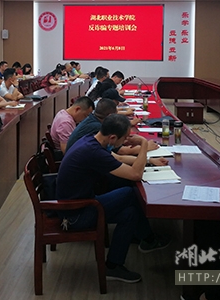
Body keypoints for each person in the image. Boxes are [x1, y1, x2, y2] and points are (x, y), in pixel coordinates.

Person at [56, 114, 170, 283]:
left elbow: (119, 159)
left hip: (78, 205)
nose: (126, 142)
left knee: (130, 214)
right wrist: (143, 145)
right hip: (74, 215)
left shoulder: (92, 140)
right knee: (130, 192)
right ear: (112, 137)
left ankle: (113, 265)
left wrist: (150, 161)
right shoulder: (93, 152)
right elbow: (135, 174)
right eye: (125, 138)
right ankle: (148, 239)